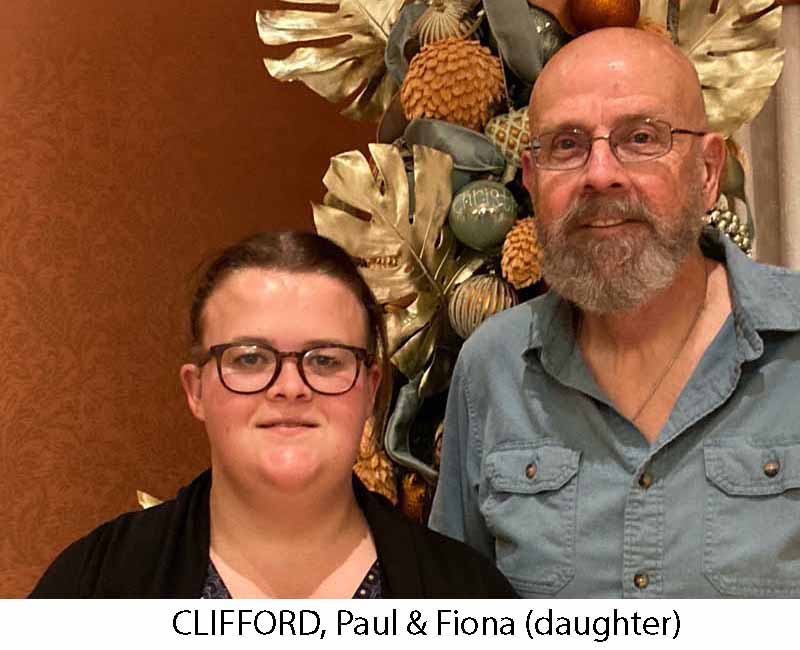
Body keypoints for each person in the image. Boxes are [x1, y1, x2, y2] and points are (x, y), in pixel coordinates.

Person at [429, 27, 800, 598]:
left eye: (641, 137)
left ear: (707, 172)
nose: (600, 173)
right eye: (566, 145)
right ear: (531, 182)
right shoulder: (493, 368)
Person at [31, 231, 515, 598]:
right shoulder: (92, 586)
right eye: (249, 359)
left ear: (369, 390)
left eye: (325, 360)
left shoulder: (467, 595)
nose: (290, 387)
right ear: (195, 390)